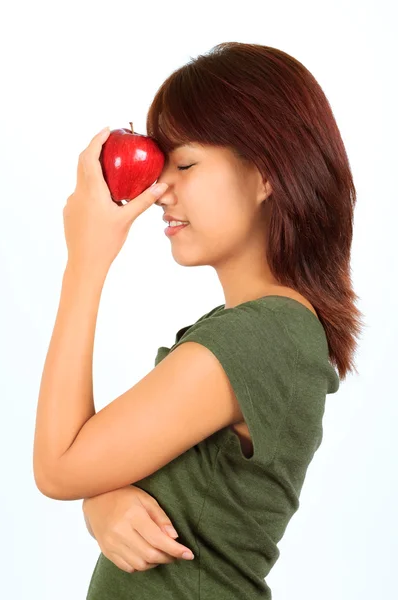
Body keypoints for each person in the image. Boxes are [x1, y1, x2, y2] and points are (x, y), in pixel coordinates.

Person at [83, 42, 364, 598]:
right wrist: (100, 500)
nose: (160, 190)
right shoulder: (257, 330)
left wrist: (87, 259)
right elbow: (85, 466)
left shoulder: (261, 337)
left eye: (184, 164)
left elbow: (58, 466)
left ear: (265, 175)